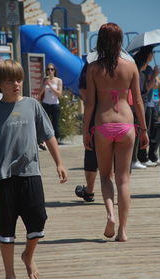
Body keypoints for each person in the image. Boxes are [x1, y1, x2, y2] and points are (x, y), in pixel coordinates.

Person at [0, 59, 67, 279]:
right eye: (10, 80)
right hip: (4, 178)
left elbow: (48, 136)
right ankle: (10, 276)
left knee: (38, 219)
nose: (16, 84)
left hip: (31, 173)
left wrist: (59, 163)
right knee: (5, 230)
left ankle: (28, 255)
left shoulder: (33, 105)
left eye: (19, 79)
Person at [83, 23, 149, 242]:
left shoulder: (93, 69)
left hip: (102, 125)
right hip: (127, 126)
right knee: (123, 179)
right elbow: (138, 101)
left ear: (99, 41)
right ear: (120, 41)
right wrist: (144, 130)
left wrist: (85, 131)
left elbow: (90, 105)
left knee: (105, 175)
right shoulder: (130, 67)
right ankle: (122, 231)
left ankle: (110, 214)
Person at [75, 62, 98, 202]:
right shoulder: (122, 63)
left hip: (96, 117)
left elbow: (82, 89)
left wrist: (91, 103)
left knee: (91, 153)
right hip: (119, 117)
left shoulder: (91, 64)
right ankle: (121, 192)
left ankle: (89, 191)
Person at [39, 63, 63, 141]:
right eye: (48, 69)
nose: (50, 71)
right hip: (46, 104)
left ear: (54, 71)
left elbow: (59, 94)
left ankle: (56, 139)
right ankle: (44, 140)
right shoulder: (44, 79)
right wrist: (44, 85)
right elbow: (40, 93)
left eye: (52, 69)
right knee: (44, 123)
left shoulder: (59, 80)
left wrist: (50, 85)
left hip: (55, 105)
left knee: (55, 124)